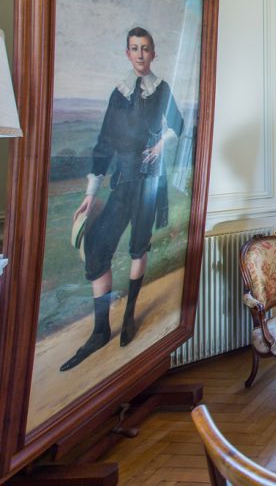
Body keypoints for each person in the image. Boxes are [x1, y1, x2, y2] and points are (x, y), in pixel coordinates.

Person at [60, 27, 184, 372]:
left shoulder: (162, 89)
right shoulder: (119, 94)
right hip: (122, 182)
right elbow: (103, 143)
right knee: (98, 247)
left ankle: (129, 316)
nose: (140, 54)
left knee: (138, 247)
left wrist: (160, 144)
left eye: (145, 48)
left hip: (149, 183)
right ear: (127, 54)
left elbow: (177, 124)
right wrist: (90, 194)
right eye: (134, 48)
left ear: (153, 54)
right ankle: (100, 329)